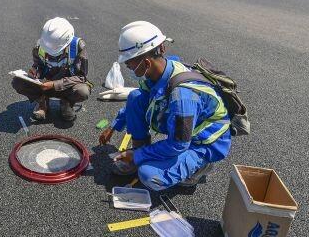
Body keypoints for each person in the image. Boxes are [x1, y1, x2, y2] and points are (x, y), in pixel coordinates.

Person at [99, 21, 231, 191]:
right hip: (184, 128)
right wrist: (114, 126)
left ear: (146, 63)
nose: (127, 66)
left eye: (129, 62)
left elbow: (178, 144)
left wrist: (137, 156)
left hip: (203, 143)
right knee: (135, 97)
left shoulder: (183, 98)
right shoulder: (160, 70)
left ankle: (200, 165)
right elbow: (140, 98)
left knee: (148, 176)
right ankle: (141, 153)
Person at [12, 17, 91, 122]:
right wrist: (35, 71)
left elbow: (81, 77)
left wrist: (54, 84)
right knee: (18, 82)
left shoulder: (78, 48)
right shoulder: (40, 46)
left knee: (83, 91)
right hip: (44, 85)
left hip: (67, 87)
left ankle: (67, 103)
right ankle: (42, 102)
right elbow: (38, 65)